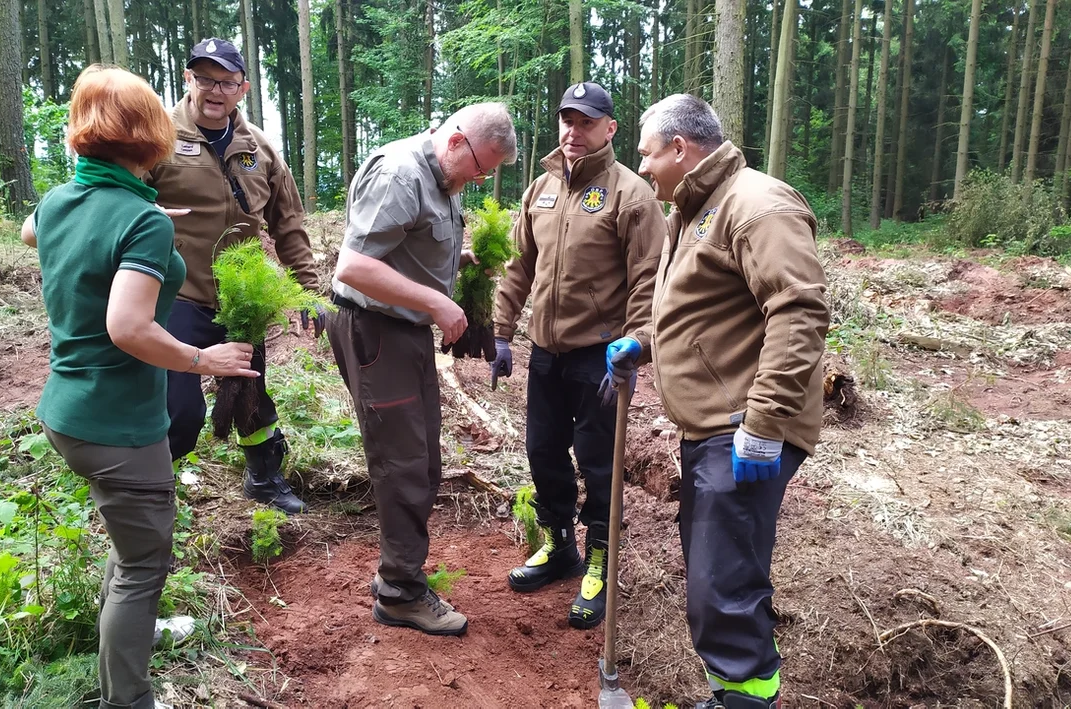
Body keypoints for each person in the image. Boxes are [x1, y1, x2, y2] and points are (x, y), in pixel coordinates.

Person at [23, 66, 258, 709]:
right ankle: (128, 699)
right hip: (119, 423)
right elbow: (127, 325)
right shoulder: (144, 222)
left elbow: (31, 233)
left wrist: (131, 209)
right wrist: (198, 359)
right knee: (143, 566)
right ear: (151, 136)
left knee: (129, 552)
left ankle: (127, 637)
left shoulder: (58, 202)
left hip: (65, 411)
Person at [618, 93, 829, 709]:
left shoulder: (756, 205)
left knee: (722, 582)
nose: (643, 169)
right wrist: (644, 342)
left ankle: (742, 699)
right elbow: (703, 311)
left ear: (680, 149)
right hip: (711, 426)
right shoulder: (693, 209)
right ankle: (735, 691)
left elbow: (799, 310)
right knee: (717, 572)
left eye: (647, 154)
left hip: (741, 429)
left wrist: (763, 424)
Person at [326, 103, 518, 636]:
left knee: (423, 458)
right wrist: (436, 303)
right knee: (403, 463)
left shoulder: (440, 181)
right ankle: (399, 592)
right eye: (479, 169)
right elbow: (355, 267)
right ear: (457, 141)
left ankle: (401, 572)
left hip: (403, 335)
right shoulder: (400, 173)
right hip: (376, 333)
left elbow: (403, 248)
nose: (477, 181)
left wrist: (457, 262)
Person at [491, 82, 665, 630]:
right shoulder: (540, 189)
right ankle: (560, 546)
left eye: (586, 122)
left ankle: (599, 561)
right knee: (542, 451)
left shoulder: (631, 195)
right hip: (546, 351)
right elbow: (520, 264)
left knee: (597, 460)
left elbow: (647, 281)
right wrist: (501, 331)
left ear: (610, 129)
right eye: (567, 120)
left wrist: (637, 346)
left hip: (601, 357)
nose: (573, 131)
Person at [145, 38, 321, 514]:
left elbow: (288, 222)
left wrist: (308, 289)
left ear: (242, 88)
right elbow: (121, 202)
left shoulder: (258, 148)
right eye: (204, 78)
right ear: (188, 81)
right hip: (175, 294)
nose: (214, 90)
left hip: (243, 297)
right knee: (179, 409)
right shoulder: (155, 137)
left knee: (249, 393)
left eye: (225, 81)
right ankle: (150, 490)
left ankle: (264, 478)